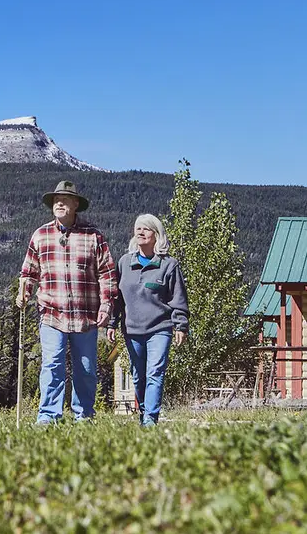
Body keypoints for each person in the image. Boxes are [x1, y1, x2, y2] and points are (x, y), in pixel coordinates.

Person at [18, 180, 118, 424]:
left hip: (86, 315)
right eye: (56, 200)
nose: (59, 203)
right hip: (51, 313)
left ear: (76, 205)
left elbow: (107, 274)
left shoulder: (93, 236)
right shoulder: (40, 236)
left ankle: (84, 416)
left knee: (85, 370)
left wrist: (106, 306)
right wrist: (24, 292)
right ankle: (48, 416)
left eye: (65, 199)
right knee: (52, 365)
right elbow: (29, 272)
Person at [107, 214, 188, 426]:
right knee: (138, 376)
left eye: (146, 229)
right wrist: (112, 323)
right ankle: (144, 414)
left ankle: (151, 419)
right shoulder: (125, 263)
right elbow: (117, 298)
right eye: (138, 228)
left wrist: (180, 325)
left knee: (155, 372)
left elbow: (178, 297)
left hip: (160, 328)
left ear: (156, 235)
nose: (140, 232)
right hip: (132, 330)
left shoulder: (168, 265)